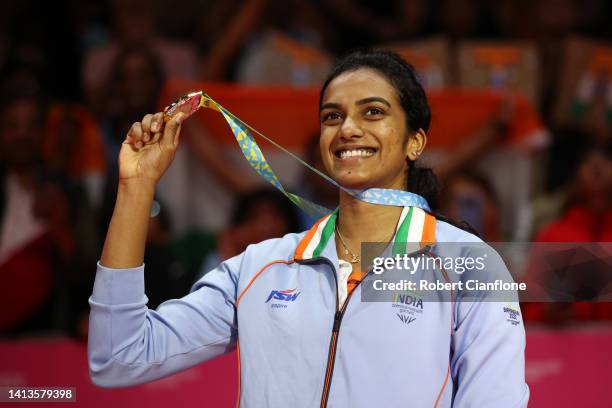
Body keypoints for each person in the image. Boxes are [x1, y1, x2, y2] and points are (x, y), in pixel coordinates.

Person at [88, 50, 529, 407]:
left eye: (372, 112)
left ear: (415, 141)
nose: (348, 129)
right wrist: (136, 186)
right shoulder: (262, 266)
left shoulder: (467, 265)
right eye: (332, 116)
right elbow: (119, 357)